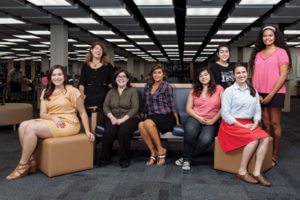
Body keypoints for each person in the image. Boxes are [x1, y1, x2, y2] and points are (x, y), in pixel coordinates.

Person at [6, 65, 95, 181]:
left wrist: (87, 131)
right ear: (50, 77)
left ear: (64, 76)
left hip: (68, 123)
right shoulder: (46, 91)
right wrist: (54, 118)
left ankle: (22, 165)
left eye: (59, 74)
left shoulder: (72, 91)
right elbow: (42, 113)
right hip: (52, 120)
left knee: (30, 128)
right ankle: (31, 160)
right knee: (22, 125)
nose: (56, 77)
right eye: (54, 75)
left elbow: (83, 112)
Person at [218, 63, 271, 186]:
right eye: (238, 73)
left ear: (247, 74)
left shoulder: (253, 90)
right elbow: (225, 114)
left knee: (265, 138)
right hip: (231, 124)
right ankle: (242, 171)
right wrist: (240, 125)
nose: (241, 75)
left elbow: (258, 110)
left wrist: (256, 122)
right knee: (253, 140)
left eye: (243, 72)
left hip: (248, 123)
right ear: (234, 75)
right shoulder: (229, 91)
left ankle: (257, 172)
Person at [249, 25, 291, 167]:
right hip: (260, 93)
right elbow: (254, 76)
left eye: (270, 35)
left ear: (275, 37)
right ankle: (265, 151)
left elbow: (283, 75)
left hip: (276, 92)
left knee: (274, 124)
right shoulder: (258, 54)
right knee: (265, 124)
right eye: (265, 36)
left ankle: (274, 155)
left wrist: (270, 95)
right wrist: (256, 93)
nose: (267, 38)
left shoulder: (281, 52)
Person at [175, 67, 223, 170]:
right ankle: (187, 160)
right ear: (198, 78)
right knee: (190, 131)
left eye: (205, 74)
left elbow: (224, 107)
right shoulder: (194, 90)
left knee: (205, 140)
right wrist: (199, 118)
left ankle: (186, 157)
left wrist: (213, 120)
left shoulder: (219, 88)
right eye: (201, 76)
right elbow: (188, 108)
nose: (203, 77)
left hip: (212, 120)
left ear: (210, 75)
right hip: (195, 117)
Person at [138, 63, 180, 166]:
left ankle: (161, 150)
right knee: (140, 125)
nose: (157, 75)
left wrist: (177, 121)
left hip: (166, 116)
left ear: (163, 75)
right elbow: (144, 105)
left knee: (147, 122)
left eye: (159, 72)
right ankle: (153, 151)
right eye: (155, 72)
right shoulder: (147, 87)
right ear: (152, 74)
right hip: (153, 117)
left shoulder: (166, 87)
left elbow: (172, 104)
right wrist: (140, 116)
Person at [98, 69, 139, 168]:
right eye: (118, 77)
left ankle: (124, 159)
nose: (121, 79)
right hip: (113, 117)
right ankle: (104, 158)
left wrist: (122, 120)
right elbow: (105, 106)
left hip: (130, 118)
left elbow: (135, 108)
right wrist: (112, 118)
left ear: (128, 79)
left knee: (123, 132)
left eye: (123, 76)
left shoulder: (132, 91)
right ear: (115, 79)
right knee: (108, 132)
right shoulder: (111, 91)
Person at [79, 41, 113, 109]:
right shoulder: (85, 65)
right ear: (91, 50)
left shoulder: (108, 66)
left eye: (101, 49)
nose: (98, 51)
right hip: (88, 95)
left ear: (103, 52)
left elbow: (111, 82)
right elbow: (82, 82)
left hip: (103, 95)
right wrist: (82, 95)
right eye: (96, 48)